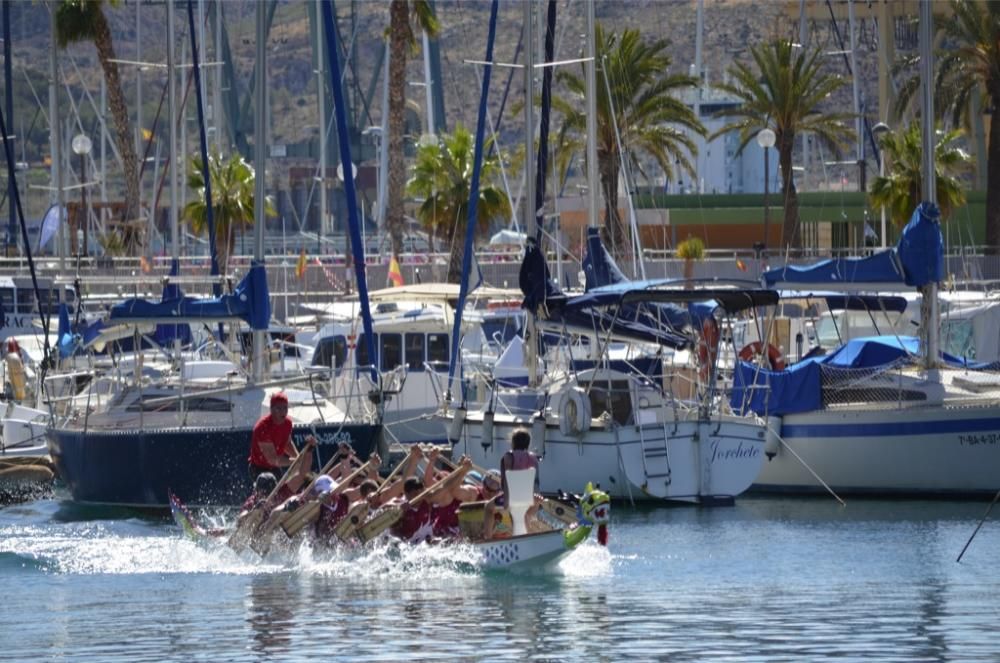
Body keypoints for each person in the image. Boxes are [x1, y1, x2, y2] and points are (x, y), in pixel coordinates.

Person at [248, 392, 298, 481]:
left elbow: (287, 443)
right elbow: (273, 459)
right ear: (271, 409)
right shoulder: (262, 427)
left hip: (274, 467)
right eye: (279, 408)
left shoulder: (288, 423)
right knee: (267, 491)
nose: (283, 412)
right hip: (258, 468)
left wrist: (298, 457)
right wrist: (295, 462)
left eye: (285, 408)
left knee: (280, 493)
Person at [500, 427, 540, 497]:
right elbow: (535, 482)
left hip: (512, 496)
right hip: (530, 497)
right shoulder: (533, 458)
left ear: (513, 442)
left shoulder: (509, 456)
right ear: (528, 443)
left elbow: (507, 480)